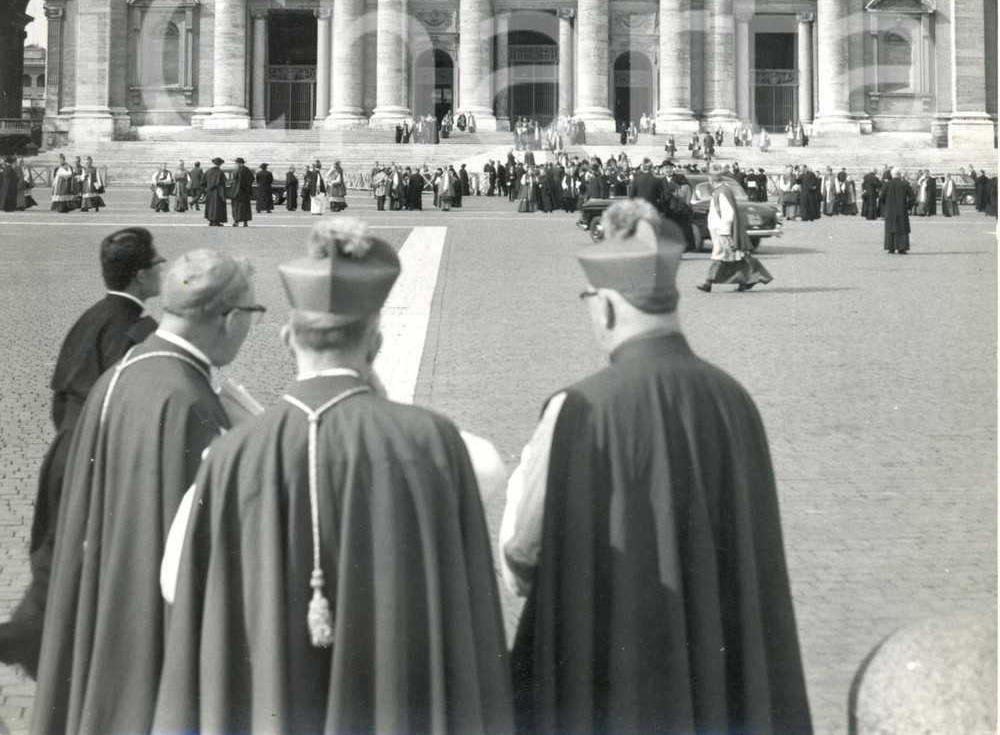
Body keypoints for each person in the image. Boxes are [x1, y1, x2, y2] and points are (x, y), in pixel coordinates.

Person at [154, 218, 512, 735]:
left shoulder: (229, 456)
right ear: (376, 343)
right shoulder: (432, 443)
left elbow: (174, 581)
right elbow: (489, 469)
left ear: (285, 337)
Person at [503, 201, 811, 735]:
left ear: (604, 308)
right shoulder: (735, 399)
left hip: (612, 680)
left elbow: (522, 551)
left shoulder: (577, 408)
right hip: (716, 678)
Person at [31, 250, 258, 735]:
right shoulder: (185, 397)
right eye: (253, 314)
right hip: (154, 625)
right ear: (231, 318)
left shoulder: (128, 368)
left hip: (112, 597)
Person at [0, 229, 162, 676]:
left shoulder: (89, 317)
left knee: (55, 550)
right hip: (93, 452)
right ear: (142, 275)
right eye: (158, 264)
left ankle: (31, 639)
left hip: (64, 448)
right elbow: (119, 399)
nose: (163, 270)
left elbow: (59, 396)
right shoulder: (136, 327)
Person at [697, 167, 773, 292]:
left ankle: (708, 282)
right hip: (719, 229)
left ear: (712, 179)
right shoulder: (721, 190)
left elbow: (728, 212)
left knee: (721, 255)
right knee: (736, 257)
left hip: (722, 230)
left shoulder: (722, 191)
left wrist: (725, 231)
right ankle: (750, 279)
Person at [880, 166, 915, 254]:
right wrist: (908, 206)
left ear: (892, 175)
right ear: (900, 175)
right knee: (902, 229)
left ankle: (891, 247)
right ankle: (901, 248)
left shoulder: (887, 184)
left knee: (890, 228)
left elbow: (881, 197)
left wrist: (886, 205)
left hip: (890, 209)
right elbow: (913, 197)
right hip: (902, 209)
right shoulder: (905, 184)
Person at [229, 157, 254, 227]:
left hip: (238, 192)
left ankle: (236, 221)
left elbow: (237, 182)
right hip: (245, 192)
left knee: (237, 207)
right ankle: (245, 222)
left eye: (237, 163)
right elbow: (252, 178)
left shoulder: (238, 171)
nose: (236, 164)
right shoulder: (247, 170)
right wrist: (247, 187)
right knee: (245, 207)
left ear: (240, 163)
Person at [203, 157, 227, 227]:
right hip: (218, 191)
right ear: (220, 164)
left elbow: (203, 182)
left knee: (210, 206)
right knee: (217, 206)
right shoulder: (220, 172)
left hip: (210, 192)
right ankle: (216, 221)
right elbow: (223, 182)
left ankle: (211, 221)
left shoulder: (208, 171)